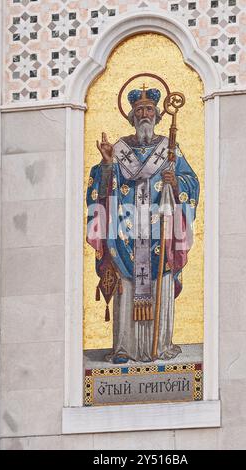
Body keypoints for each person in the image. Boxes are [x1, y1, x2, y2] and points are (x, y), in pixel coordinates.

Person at [86, 86, 199, 364]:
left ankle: (159, 347)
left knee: (160, 283)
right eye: (139, 110)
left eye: (149, 110)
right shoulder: (120, 148)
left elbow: (191, 183)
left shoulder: (169, 148)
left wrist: (177, 182)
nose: (144, 115)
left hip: (161, 231)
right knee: (127, 284)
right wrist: (108, 163)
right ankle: (124, 348)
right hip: (126, 232)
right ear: (131, 116)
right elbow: (101, 189)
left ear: (158, 115)